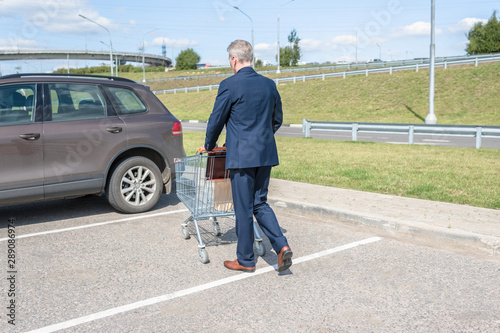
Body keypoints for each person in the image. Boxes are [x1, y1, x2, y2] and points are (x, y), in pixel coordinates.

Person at [204, 40, 292, 273]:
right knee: (260, 203)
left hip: (242, 157)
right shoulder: (269, 85)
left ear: (233, 60)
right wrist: (262, 138)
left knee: (244, 208)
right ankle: (282, 247)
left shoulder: (229, 85)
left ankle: (245, 259)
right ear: (250, 58)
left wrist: (209, 145)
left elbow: (216, 120)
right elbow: (277, 119)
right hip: (265, 154)